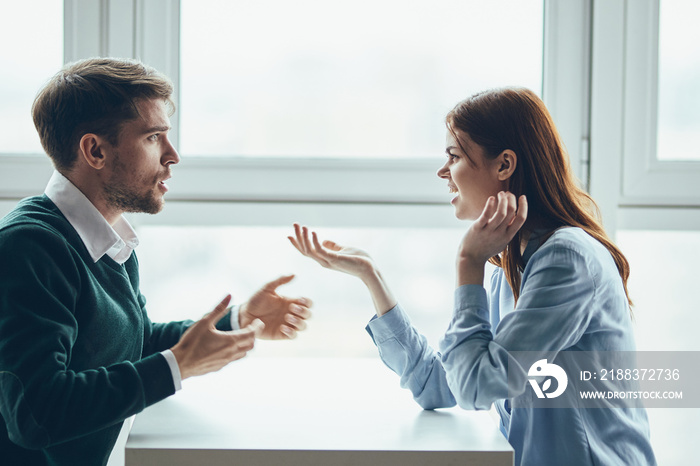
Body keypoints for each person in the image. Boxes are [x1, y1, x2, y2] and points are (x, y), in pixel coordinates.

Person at [289, 87, 656, 465]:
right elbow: (439, 385)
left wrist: (468, 262)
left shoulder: (566, 260)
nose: (443, 172)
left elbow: (478, 386)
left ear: (504, 165)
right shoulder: (510, 267)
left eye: (454, 156)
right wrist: (372, 277)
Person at [0, 57, 312, 465]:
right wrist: (177, 366)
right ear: (95, 150)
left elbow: (130, 344)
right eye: (153, 137)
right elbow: (36, 414)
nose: (173, 155)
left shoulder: (107, 239)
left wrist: (238, 319)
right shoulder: (29, 248)